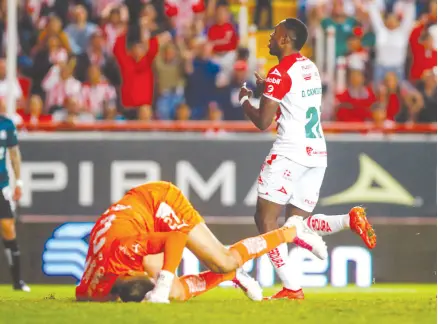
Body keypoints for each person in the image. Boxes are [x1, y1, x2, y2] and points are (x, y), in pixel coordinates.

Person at [238, 18, 376, 300]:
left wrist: (245, 101)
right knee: (294, 226)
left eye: (274, 34)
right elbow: (292, 101)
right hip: (317, 153)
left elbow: (264, 121)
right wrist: (271, 89)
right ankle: (348, 220)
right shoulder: (309, 67)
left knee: (266, 221)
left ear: (286, 39)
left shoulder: (280, 72)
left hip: (290, 152)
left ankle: (291, 287)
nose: (269, 39)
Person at [75, 181, 327, 303]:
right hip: (134, 225)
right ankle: (230, 277)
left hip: (157, 201)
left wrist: (161, 282)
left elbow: (176, 237)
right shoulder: (92, 289)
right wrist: (162, 289)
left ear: (131, 270)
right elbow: (84, 294)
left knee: (223, 260)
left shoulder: (124, 251)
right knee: (176, 294)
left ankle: (290, 231)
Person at [0, 102, 29, 292]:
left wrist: (18, 181)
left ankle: (17, 281)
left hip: (1, 185)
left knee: (8, 228)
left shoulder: (6, 125)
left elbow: (14, 154)